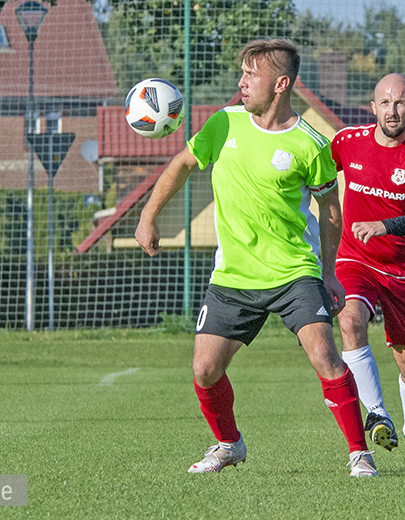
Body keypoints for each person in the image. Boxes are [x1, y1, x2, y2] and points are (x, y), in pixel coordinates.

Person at [135, 38, 377, 477]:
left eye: (251, 74)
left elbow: (331, 209)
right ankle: (229, 445)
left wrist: (331, 274)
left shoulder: (311, 144)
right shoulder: (223, 125)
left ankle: (359, 453)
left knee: (325, 355)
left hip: (293, 273)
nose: (241, 82)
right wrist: (148, 217)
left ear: (280, 84)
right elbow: (181, 166)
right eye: (242, 73)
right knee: (205, 369)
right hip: (234, 275)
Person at [331, 73, 405, 455]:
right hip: (356, 257)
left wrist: (385, 225)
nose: (392, 110)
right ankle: (377, 415)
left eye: (400, 103)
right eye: (385, 102)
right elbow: (310, 174)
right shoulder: (347, 142)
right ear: (373, 106)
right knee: (349, 321)